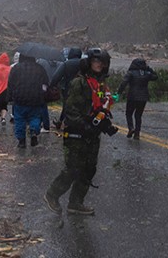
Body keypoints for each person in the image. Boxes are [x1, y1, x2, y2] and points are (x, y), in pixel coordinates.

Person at [44, 48, 117, 215]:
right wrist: (85, 125)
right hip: (76, 134)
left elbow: (99, 108)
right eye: (96, 61)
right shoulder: (79, 82)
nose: (100, 65)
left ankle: (76, 202)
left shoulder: (100, 85)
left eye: (102, 62)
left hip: (92, 135)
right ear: (89, 62)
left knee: (89, 169)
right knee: (73, 169)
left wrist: (104, 125)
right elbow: (71, 111)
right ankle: (52, 194)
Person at [7, 53, 49, 148]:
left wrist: (9, 97)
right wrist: (42, 94)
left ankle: (21, 141)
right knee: (35, 117)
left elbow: (10, 84)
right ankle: (34, 131)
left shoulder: (16, 68)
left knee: (19, 119)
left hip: (19, 99)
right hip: (36, 99)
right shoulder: (40, 68)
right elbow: (45, 83)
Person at [117, 58, 158, 140]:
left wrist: (118, 93)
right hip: (143, 97)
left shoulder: (131, 73)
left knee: (129, 113)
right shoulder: (147, 74)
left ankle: (131, 128)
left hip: (132, 96)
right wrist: (148, 68)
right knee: (138, 115)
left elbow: (123, 83)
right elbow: (155, 77)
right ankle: (137, 134)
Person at [49, 47, 83, 129]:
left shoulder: (66, 64)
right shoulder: (84, 63)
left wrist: (52, 86)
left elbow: (56, 76)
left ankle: (61, 122)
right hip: (83, 89)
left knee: (67, 106)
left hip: (68, 89)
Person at [37, 57, 64, 133]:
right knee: (43, 105)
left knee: (41, 105)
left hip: (43, 86)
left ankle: (44, 125)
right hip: (52, 86)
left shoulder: (41, 62)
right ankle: (44, 124)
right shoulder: (59, 63)